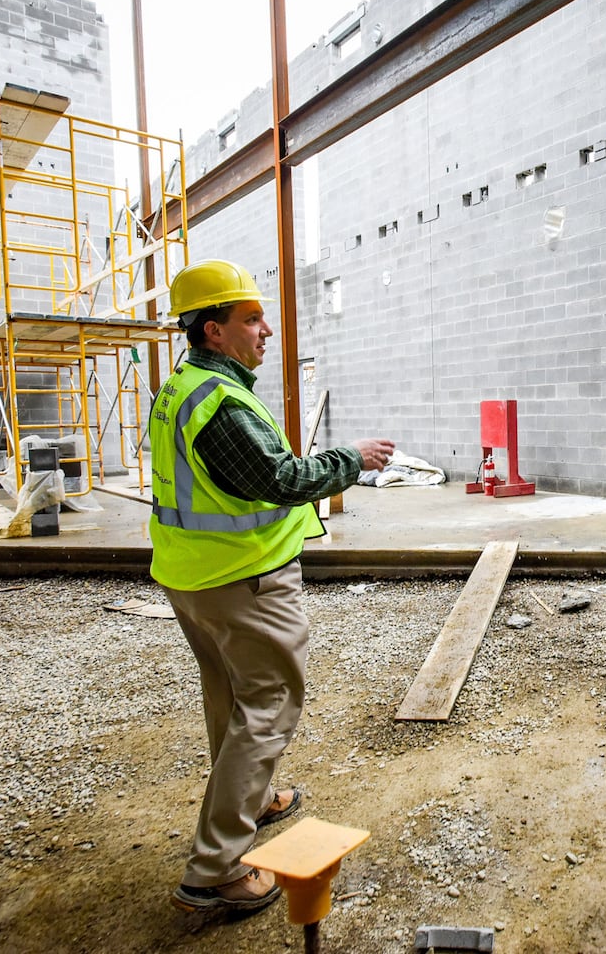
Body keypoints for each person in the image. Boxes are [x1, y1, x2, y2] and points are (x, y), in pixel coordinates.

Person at [148, 258, 395, 913]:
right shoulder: (220, 404)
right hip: (242, 579)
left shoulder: (187, 386)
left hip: (194, 574)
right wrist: (352, 460)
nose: (267, 331)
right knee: (269, 707)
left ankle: (250, 803)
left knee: (232, 702)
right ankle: (216, 870)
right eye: (251, 319)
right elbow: (279, 481)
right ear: (212, 332)